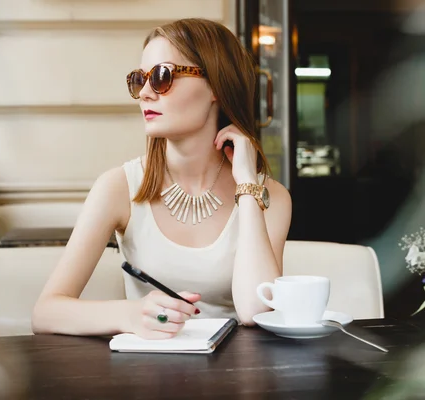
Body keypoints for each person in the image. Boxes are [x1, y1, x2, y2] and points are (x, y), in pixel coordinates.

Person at [32, 18, 292, 339]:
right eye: (139, 79)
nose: (144, 93)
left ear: (216, 87)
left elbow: (255, 311)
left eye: (161, 77)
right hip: (148, 379)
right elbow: (46, 312)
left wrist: (247, 185)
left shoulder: (272, 196)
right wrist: (129, 314)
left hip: (240, 379)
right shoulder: (119, 187)